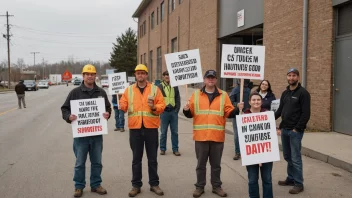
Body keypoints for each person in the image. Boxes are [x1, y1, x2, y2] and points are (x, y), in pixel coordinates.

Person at [183, 70, 243, 198]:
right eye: (208, 78)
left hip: (217, 137)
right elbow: (190, 114)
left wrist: (238, 108)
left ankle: (216, 186)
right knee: (200, 165)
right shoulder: (196, 95)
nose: (211, 80)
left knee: (216, 165)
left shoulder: (224, 95)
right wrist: (185, 110)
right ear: (204, 80)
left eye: (213, 78)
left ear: (216, 80)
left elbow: (229, 113)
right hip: (201, 136)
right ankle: (199, 187)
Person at [61, 64, 111, 197]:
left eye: (92, 74)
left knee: (97, 162)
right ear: (83, 76)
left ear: (95, 76)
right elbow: (65, 108)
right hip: (81, 136)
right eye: (87, 74)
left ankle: (95, 184)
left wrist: (107, 114)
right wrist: (68, 117)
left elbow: (108, 108)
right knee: (80, 162)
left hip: (96, 135)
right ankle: (79, 186)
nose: (90, 76)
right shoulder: (75, 93)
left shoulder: (101, 92)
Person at [119, 64, 166, 197]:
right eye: (138, 73)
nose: (140, 75)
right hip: (135, 129)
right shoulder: (128, 90)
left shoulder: (155, 89)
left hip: (151, 128)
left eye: (142, 73)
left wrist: (154, 107)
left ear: (146, 75)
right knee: (136, 159)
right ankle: (136, 185)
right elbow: (123, 103)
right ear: (135, 75)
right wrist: (122, 105)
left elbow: (162, 105)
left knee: (152, 159)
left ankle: (154, 184)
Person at [275, 68, 311, 194]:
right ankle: (290, 178)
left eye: (294, 75)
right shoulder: (285, 93)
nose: (291, 78)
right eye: (289, 75)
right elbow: (279, 111)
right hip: (284, 129)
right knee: (287, 156)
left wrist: (297, 128)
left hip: (295, 131)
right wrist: (266, 119)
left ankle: (299, 183)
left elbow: (306, 113)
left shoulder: (303, 93)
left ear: (298, 77)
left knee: (295, 158)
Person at [243, 92, 274, 198]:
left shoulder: (267, 114)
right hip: (251, 154)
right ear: (249, 102)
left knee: (267, 180)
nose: (256, 102)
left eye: (258, 100)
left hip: (266, 154)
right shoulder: (244, 115)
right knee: (252, 180)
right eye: (254, 100)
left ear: (261, 102)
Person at [158, 71, 181, 156]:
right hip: (164, 112)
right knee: (163, 132)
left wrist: (177, 109)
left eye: (169, 75)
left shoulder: (174, 86)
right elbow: (157, 99)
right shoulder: (159, 87)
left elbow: (178, 98)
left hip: (173, 112)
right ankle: (162, 149)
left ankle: (175, 149)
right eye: (166, 75)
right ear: (163, 76)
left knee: (174, 132)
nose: (168, 76)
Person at [229, 79, 251, 160]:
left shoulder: (249, 90)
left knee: (246, 134)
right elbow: (230, 102)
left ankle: (245, 151)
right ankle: (237, 152)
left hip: (247, 115)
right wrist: (237, 104)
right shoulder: (235, 90)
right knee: (237, 134)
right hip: (237, 115)